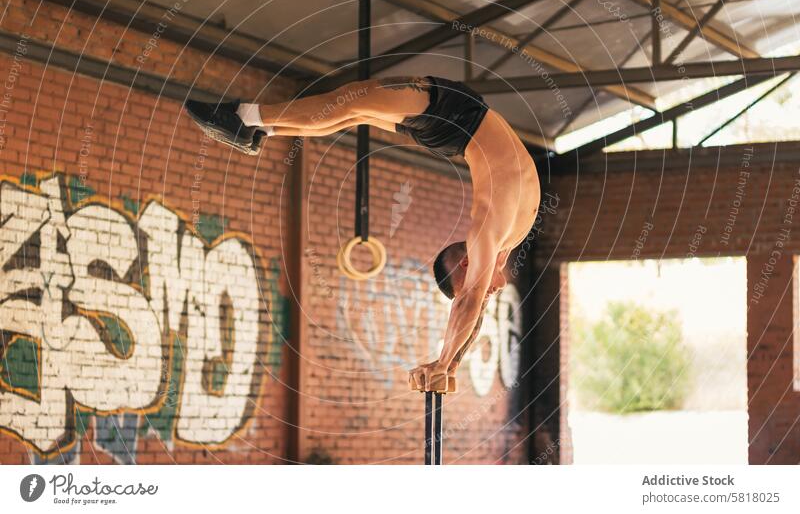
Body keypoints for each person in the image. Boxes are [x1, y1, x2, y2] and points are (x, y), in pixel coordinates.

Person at [184, 75, 541, 391]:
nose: (493, 290)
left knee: (354, 103)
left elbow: (471, 301)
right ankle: (254, 126)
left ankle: (248, 120)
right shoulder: (500, 241)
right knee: (354, 109)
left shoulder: (491, 230)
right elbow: (473, 304)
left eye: (477, 285)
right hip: (460, 119)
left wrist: (445, 363)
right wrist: (447, 363)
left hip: (458, 119)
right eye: (490, 288)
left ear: (466, 262)